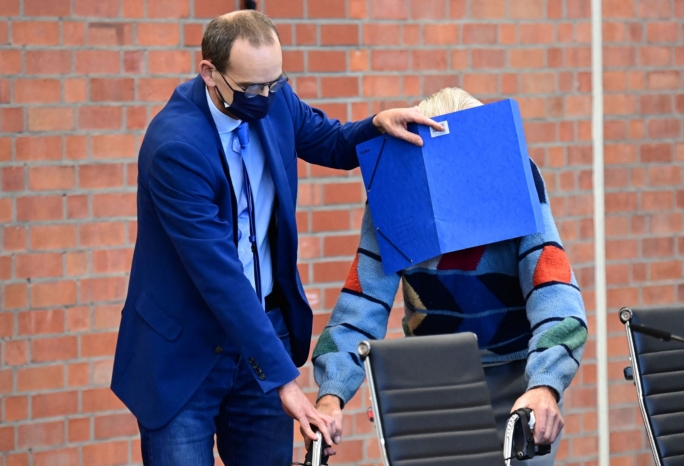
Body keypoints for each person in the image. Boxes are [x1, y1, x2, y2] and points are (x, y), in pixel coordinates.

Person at [110, 10, 443, 466]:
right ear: (209, 72)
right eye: (252, 88)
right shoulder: (176, 148)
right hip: (182, 354)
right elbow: (219, 276)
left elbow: (332, 142)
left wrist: (377, 124)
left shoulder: (274, 99)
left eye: (275, 82)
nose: (266, 98)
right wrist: (286, 382)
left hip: (263, 335)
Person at [312, 88, 588, 465]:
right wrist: (331, 394)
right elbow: (362, 304)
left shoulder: (512, 177)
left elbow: (554, 291)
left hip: (517, 380)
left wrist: (545, 384)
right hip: (433, 381)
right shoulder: (395, 190)